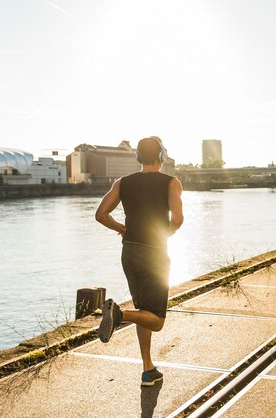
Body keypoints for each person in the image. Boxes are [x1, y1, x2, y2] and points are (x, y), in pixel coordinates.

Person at [95, 136, 184, 387]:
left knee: (143, 310)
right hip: (153, 252)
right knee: (156, 320)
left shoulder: (123, 183)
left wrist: (122, 228)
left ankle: (148, 369)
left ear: (137, 158)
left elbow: (100, 214)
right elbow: (177, 218)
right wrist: (165, 233)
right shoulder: (171, 182)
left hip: (129, 252)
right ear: (162, 156)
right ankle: (119, 314)